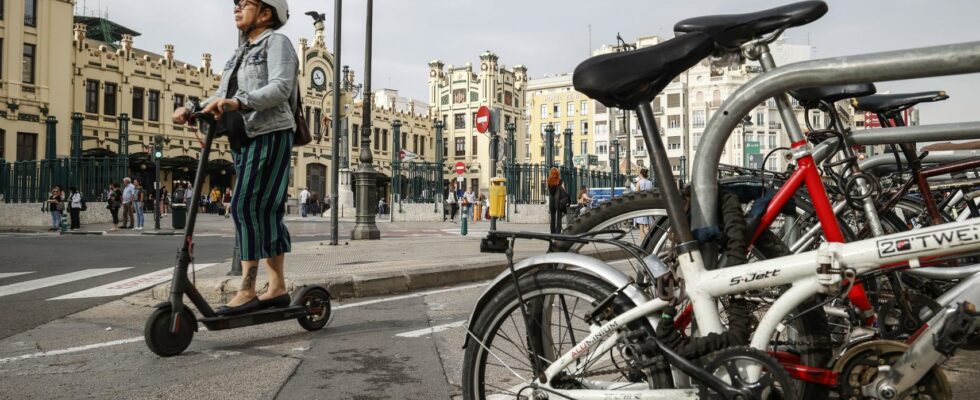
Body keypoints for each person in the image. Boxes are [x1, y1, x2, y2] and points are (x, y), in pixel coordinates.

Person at [173, 0, 297, 315]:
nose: (236, 8)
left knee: (244, 205)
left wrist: (238, 102)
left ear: (266, 13)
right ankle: (277, 286)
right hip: (244, 136)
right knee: (266, 211)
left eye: (245, 3)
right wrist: (193, 107)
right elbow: (221, 92)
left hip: (270, 132)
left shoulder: (276, 42)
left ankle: (247, 289)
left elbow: (281, 87)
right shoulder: (238, 53)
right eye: (235, 4)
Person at [548, 167, 571, 234]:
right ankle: (558, 232)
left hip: (552, 200)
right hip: (559, 200)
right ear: (558, 173)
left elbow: (551, 192)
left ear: (551, 173)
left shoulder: (549, 180)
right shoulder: (560, 180)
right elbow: (563, 190)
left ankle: (552, 232)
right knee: (559, 217)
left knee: (552, 217)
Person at [633, 169, 654, 237]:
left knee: (641, 221)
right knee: (647, 219)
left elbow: (636, 193)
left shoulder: (639, 182)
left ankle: (642, 235)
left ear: (641, 174)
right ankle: (647, 232)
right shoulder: (650, 183)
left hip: (641, 203)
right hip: (648, 202)